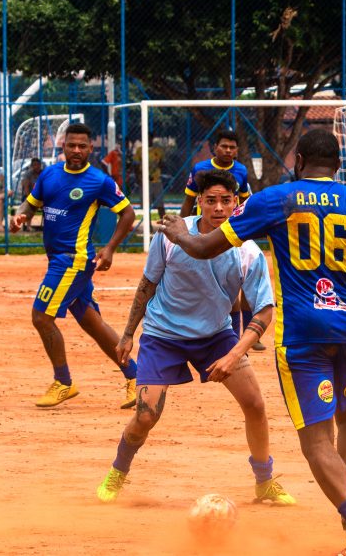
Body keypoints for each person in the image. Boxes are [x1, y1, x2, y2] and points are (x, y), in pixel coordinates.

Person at [160, 129, 346, 556]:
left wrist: (178, 233)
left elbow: (206, 247)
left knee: (316, 440)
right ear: (338, 164)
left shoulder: (275, 199)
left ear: (298, 160)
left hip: (304, 336)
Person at [95, 169, 296, 507]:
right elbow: (148, 284)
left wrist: (234, 354)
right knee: (146, 415)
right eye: (211, 200)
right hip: (162, 335)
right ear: (199, 202)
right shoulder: (172, 235)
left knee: (256, 404)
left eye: (226, 201)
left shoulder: (247, 251)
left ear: (237, 203)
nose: (218, 208)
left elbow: (264, 311)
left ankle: (264, 481)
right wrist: (129, 333)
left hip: (215, 335)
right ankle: (118, 470)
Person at [9, 122, 139, 408]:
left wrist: (110, 248)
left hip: (73, 261)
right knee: (92, 323)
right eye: (72, 145)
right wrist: (21, 216)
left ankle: (63, 382)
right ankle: (136, 376)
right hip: (58, 259)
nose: (77, 150)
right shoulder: (49, 174)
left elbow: (128, 214)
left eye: (83, 146)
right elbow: (30, 204)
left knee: (41, 317)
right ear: (63, 146)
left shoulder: (99, 181)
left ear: (91, 149)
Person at [179, 129, 263, 351]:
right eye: (224, 146)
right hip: (205, 232)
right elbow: (188, 201)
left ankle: (246, 334)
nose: (228, 150)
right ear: (214, 147)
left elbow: (246, 203)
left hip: (232, 230)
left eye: (232, 147)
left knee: (242, 280)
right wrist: (180, 231)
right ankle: (225, 334)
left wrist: (249, 228)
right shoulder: (200, 169)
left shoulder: (241, 171)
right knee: (220, 284)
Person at [132, 137, 166, 219]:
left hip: (156, 180)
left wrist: (157, 164)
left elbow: (163, 164)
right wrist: (139, 178)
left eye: (150, 138)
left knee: (160, 205)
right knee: (146, 206)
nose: (148, 140)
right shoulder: (140, 150)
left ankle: (165, 225)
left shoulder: (158, 151)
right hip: (144, 181)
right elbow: (136, 166)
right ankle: (148, 226)